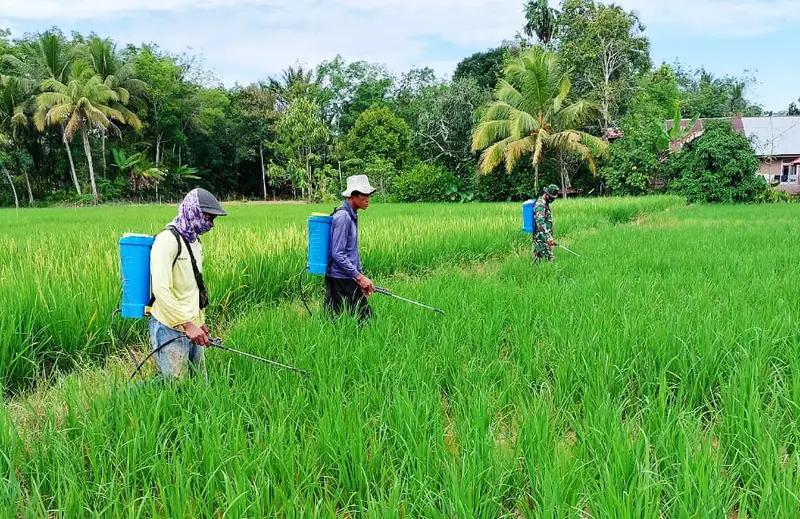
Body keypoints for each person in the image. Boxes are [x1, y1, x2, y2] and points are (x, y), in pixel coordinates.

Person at [147, 187, 227, 380]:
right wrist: (187, 324)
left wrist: (200, 322)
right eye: (208, 218)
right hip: (169, 327)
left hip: (192, 324)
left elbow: (194, 288)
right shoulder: (167, 241)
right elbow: (161, 290)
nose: (211, 225)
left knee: (200, 382)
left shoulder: (195, 242)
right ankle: (126, 398)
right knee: (175, 387)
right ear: (193, 212)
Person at [325, 174, 376, 322]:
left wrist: (359, 275)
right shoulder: (343, 217)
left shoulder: (352, 215)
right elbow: (338, 253)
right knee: (366, 321)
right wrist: (359, 278)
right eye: (363, 195)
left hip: (346, 276)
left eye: (368, 195)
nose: (367, 199)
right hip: (340, 278)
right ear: (352, 196)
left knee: (334, 320)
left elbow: (351, 251)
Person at [533, 184, 559, 262]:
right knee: (550, 260)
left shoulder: (545, 204)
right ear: (547, 195)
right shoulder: (540, 205)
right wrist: (548, 238)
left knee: (539, 260)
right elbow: (540, 224)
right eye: (551, 197)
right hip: (541, 239)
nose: (552, 200)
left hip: (545, 238)